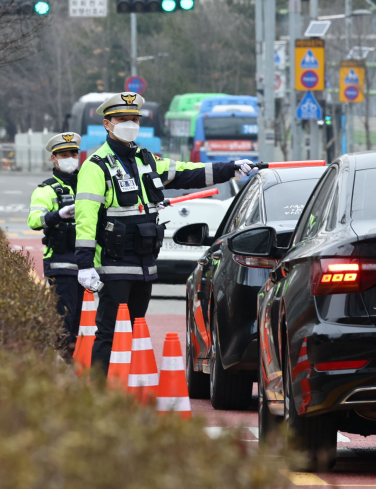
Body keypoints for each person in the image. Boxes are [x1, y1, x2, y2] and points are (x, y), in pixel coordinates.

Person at [74, 92, 254, 376]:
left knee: (133, 331)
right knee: (109, 331)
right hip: (114, 263)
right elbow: (86, 217)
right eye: (123, 119)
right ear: (108, 124)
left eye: (134, 119)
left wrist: (228, 168)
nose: (130, 124)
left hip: (144, 264)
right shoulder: (96, 165)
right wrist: (84, 263)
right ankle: (97, 392)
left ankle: (124, 389)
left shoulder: (144, 159)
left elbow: (185, 172)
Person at [28, 132, 84, 355]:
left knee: (83, 320)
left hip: (89, 263)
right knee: (65, 320)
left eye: (73, 153)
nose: (70, 158)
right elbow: (34, 221)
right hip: (61, 264)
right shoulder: (46, 189)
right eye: (63, 154)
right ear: (54, 158)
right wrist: (57, 215)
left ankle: (78, 358)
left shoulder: (90, 185)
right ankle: (62, 361)